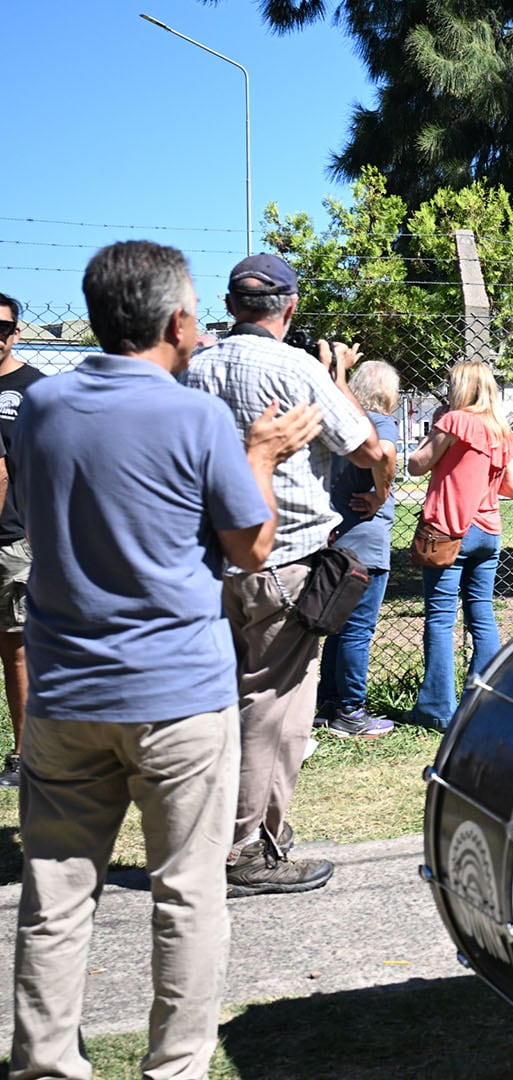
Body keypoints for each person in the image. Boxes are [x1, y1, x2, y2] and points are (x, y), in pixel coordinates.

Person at [9, 240, 321, 1078]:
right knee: (187, 895)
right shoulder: (197, 420)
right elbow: (252, 546)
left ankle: (44, 1065)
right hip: (178, 696)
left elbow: (39, 514)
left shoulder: (40, 409)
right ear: (179, 320)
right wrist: (261, 456)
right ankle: (176, 1068)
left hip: (65, 693)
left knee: (57, 897)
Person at [185, 253, 394, 898]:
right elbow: (368, 446)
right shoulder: (298, 367)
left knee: (224, 704)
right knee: (275, 711)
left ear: (230, 305)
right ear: (290, 306)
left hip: (208, 563)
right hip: (283, 562)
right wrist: (383, 484)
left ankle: (220, 835)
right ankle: (253, 850)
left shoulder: (193, 369)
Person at [408, 360, 513, 729]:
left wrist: (435, 431)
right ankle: (487, 702)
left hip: (449, 530)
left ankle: (437, 708)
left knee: (441, 619)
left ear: (461, 387)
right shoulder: (501, 430)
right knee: (482, 614)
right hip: (489, 531)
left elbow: (416, 465)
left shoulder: (454, 421)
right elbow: (512, 488)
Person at [317, 360, 402, 738]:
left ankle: (329, 703)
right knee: (358, 629)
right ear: (386, 391)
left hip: (338, 537)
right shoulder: (378, 423)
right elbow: (385, 454)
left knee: (337, 627)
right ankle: (352, 709)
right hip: (367, 540)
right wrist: (381, 495)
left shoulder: (340, 422)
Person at [0, 291, 44, 788]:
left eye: (2, 326)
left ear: (15, 333)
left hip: (16, 542)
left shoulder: (37, 390)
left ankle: (24, 754)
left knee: (18, 653)